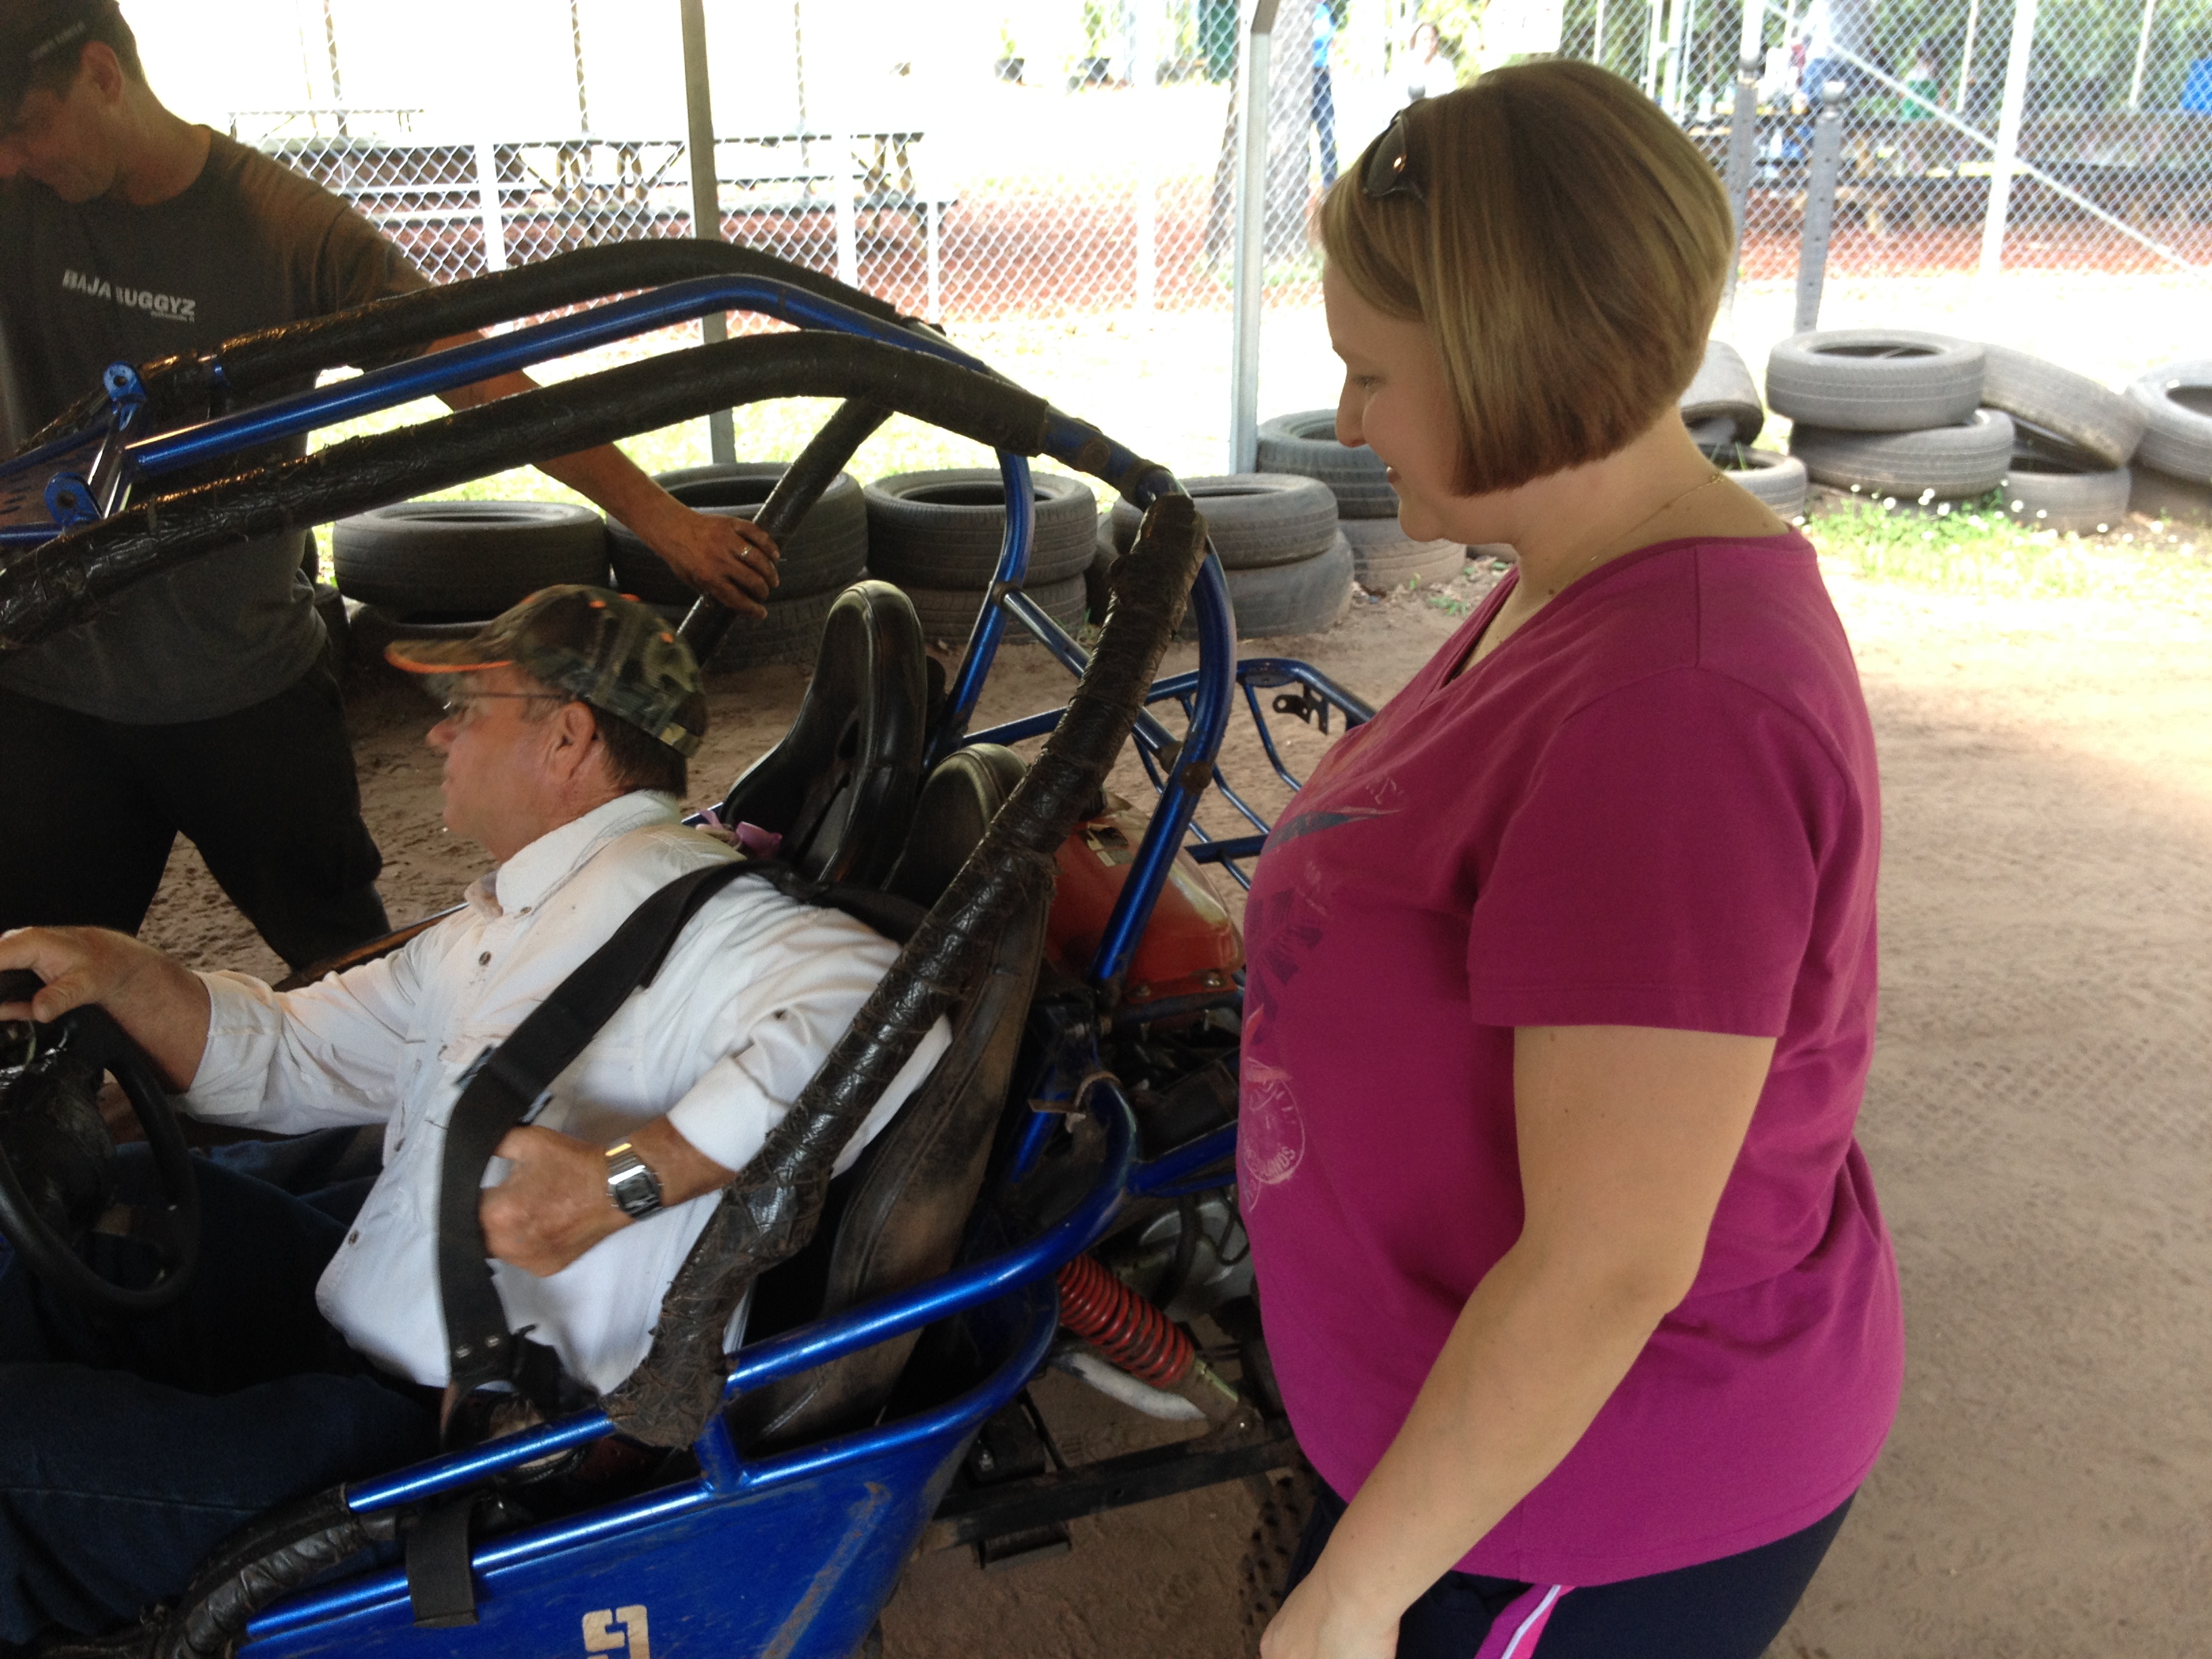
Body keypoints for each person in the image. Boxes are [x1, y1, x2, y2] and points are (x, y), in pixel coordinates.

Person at [1244, 64, 1900, 1659]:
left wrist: (1351, 1598)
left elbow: (1608, 1264)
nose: (1348, 422)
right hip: (1461, 1448)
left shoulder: (1674, 709)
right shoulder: (1573, 576)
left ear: (1509, 357)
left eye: (1370, 373)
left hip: (1576, 1503)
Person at [0, 586, 951, 1646]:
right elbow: (291, 1050)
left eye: (468, 707)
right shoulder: (499, 926)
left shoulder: (690, 905)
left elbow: (891, 1013)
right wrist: (125, 974)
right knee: (92, 1225)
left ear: (568, 736)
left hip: (452, 1452)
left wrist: (622, 1183)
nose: (438, 732)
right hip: (376, 1333)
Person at [0, 0, 784, 975]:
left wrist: (661, 520)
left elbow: (480, 379)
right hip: (49, 685)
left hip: (240, 686)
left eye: (25, 128)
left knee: (351, 967)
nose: (9, 160)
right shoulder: (17, 197)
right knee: (26, 979)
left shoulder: (286, 228)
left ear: (101, 74)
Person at [1311, 0, 1339, 190]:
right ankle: (1298, 187)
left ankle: (1330, 188)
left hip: (1322, 75)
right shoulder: (1302, 10)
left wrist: (1332, 67)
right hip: (1301, 76)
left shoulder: (1324, 11)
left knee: (1328, 133)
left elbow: (1331, 43)